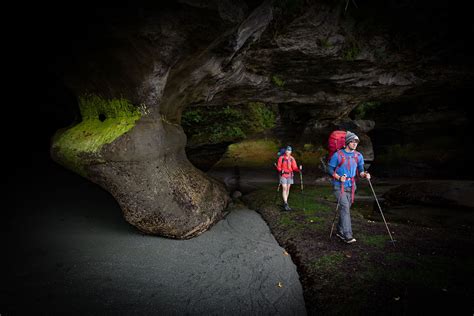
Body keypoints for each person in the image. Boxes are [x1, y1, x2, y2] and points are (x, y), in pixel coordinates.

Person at [328, 131, 371, 243]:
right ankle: (348, 235)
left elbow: (360, 170)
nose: (354, 143)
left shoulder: (358, 156)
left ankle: (339, 230)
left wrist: (365, 174)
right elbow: (330, 169)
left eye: (356, 142)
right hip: (339, 186)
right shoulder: (337, 155)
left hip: (352, 187)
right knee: (345, 208)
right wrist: (338, 177)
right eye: (352, 141)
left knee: (345, 209)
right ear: (347, 142)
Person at [277, 146, 301, 211]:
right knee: (284, 188)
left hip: (290, 175)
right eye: (287, 150)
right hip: (283, 175)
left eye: (289, 150)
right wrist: (280, 170)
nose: (288, 152)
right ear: (285, 151)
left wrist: (299, 169)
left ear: (291, 152)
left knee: (288, 188)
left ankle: (286, 202)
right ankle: (285, 203)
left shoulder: (292, 159)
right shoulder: (281, 158)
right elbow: (278, 167)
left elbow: (294, 168)